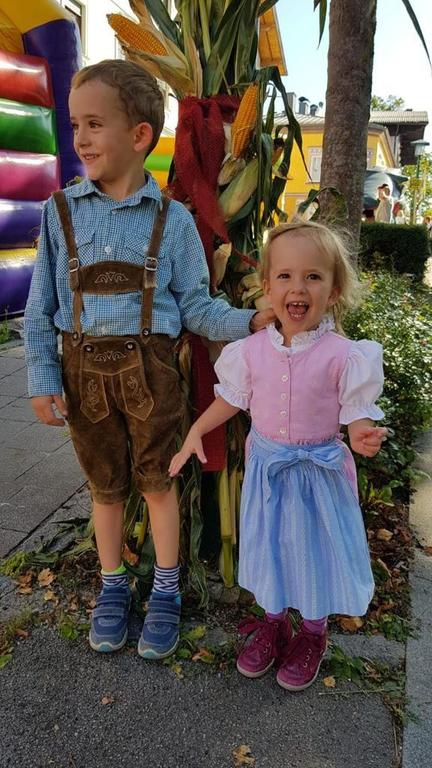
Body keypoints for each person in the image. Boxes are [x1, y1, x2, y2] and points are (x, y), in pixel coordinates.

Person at [24, 59, 274, 660]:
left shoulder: (173, 220)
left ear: (140, 136)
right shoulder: (59, 214)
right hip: (83, 378)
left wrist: (250, 321)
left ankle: (165, 588)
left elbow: (196, 306)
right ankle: (112, 585)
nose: (80, 138)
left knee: (159, 483)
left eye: (94, 124)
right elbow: (41, 307)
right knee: (105, 487)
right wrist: (41, 377)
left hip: (152, 375)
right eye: (74, 124)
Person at [169, 220, 387, 692]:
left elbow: (356, 412)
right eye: (285, 276)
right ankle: (273, 622)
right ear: (267, 287)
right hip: (268, 471)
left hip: (318, 477)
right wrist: (195, 432)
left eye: (313, 276)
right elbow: (231, 399)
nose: (298, 286)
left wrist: (363, 434)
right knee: (270, 547)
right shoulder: (250, 352)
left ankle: (312, 631)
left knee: (312, 552)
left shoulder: (345, 356)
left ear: (333, 290)